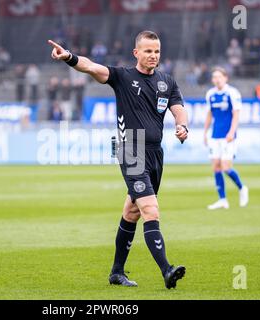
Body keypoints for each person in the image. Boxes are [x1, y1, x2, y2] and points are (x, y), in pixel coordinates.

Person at [48, 30, 189, 290]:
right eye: (148, 51)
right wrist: (68, 56)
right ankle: (167, 270)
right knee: (150, 210)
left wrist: (182, 126)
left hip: (156, 152)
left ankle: (116, 273)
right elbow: (91, 67)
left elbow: (179, 108)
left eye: (156, 51)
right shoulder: (123, 77)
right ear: (136, 53)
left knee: (132, 211)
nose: (153, 56)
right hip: (130, 148)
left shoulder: (166, 82)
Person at [204, 67, 249, 210]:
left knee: (226, 167)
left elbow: (236, 114)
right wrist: (205, 132)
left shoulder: (232, 93)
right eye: (214, 77)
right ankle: (222, 199)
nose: (216, 79)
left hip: (228, 136)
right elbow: (209, 114)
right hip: (214, 135)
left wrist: (232, 132)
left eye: (219, 77)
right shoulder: (210, 94)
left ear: (225, 78)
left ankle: (242, 188)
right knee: (216, 166)